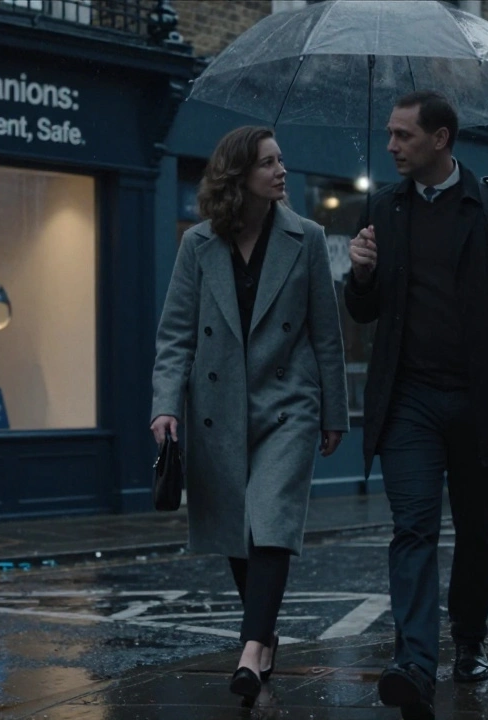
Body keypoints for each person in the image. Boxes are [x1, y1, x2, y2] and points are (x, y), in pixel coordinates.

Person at [345, 91, 488, 720]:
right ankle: (413, 661)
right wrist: (360, 273)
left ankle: (469, 640)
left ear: (441, 139)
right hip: (408, 398)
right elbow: (365, 312)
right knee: (413, 527)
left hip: (481, 398)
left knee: (478, 529)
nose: (391, 146)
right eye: (389, 134)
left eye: (404, 136)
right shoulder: (384, 206)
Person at [151, 125, 350, 701]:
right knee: (239, 531)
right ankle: (263, 641)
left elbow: (326, 334)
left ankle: (248, 647)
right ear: (240, 177)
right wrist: (165, 406)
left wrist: (334, 411)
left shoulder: (305, 237)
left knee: (270, 521)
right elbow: (175, 337)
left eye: (282, 160)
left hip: (288, 404)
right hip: (218, 408)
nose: (281, 170)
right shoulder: (199, 245)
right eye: (268, 163)